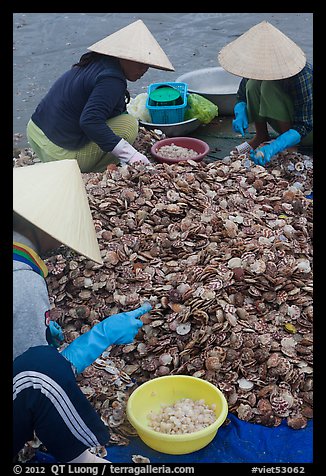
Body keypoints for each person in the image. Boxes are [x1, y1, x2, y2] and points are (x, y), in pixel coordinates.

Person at [13, 159, 152, 463]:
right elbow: (28, 377)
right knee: (44, 369)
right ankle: (86, 460)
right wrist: (96, 339)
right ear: (42, 224)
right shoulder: (22, 280)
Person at [26, 19, 174, 173]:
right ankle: (90, 171)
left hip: (36, 134)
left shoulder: (97, 62)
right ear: (124, 57)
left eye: (147, 65)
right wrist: (131, 155)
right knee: (129, 125)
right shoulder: (112, 80)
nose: (144, 70)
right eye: (140, 64)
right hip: (58, 153)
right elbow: (90, 121)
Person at [218, 21, 313, 166]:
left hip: (306, 131)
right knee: (253, 83)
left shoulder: (302, 75)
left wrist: (278, 145)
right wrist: (240, 111)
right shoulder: (257, 67)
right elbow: (242, 94)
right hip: (287, 121)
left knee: (269, 87)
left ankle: (289, 147)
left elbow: (304, 124)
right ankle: (261, 136)